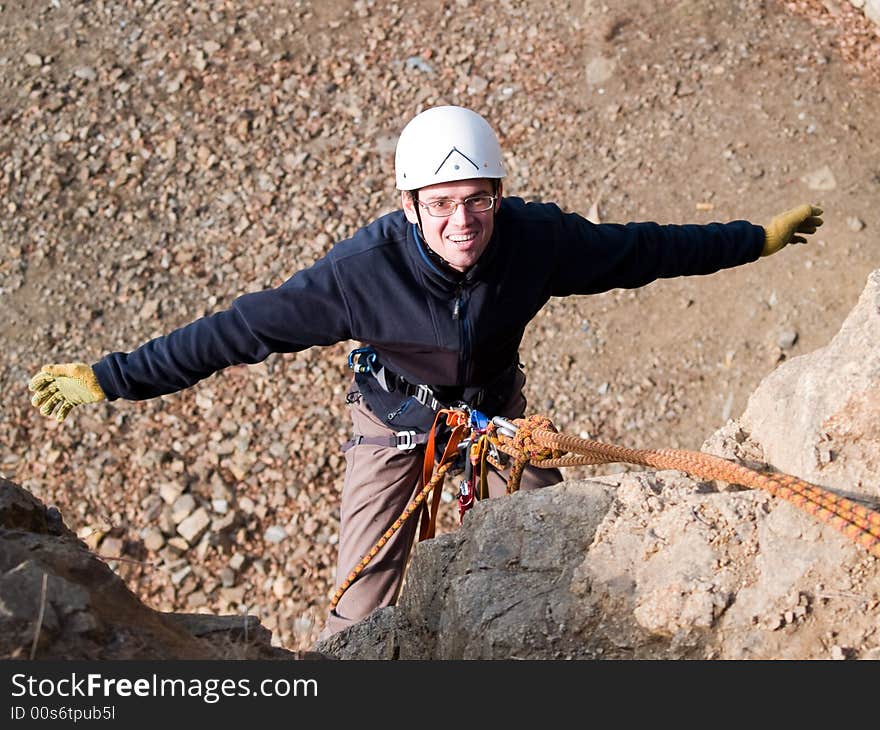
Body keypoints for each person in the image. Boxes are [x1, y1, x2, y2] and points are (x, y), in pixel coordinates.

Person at [27, 105, 823, 640]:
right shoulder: (357, 275)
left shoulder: (535, 241)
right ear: (408, 205)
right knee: (361, 611)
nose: (461, 223)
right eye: (440, 204)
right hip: (392, 428)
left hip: (495, 421)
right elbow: (236, 332)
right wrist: (113, 377)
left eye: (477, 201)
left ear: (499, 197)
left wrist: (751, 238)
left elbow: (647, 250)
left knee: (568, 541)